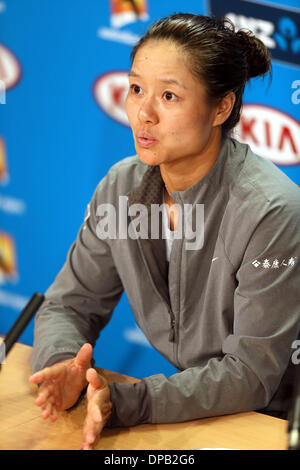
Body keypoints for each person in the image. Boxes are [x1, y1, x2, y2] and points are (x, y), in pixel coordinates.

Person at [29, 13, 300, 450]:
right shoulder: (122, 185)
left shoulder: (271, 210)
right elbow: (67, 306)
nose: (143, 113)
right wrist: (67, 366)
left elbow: (251, 375)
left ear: (221, 108)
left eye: (169, 95)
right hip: (197, 410)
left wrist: (126, 401)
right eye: (136, 89)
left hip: (276, 422)